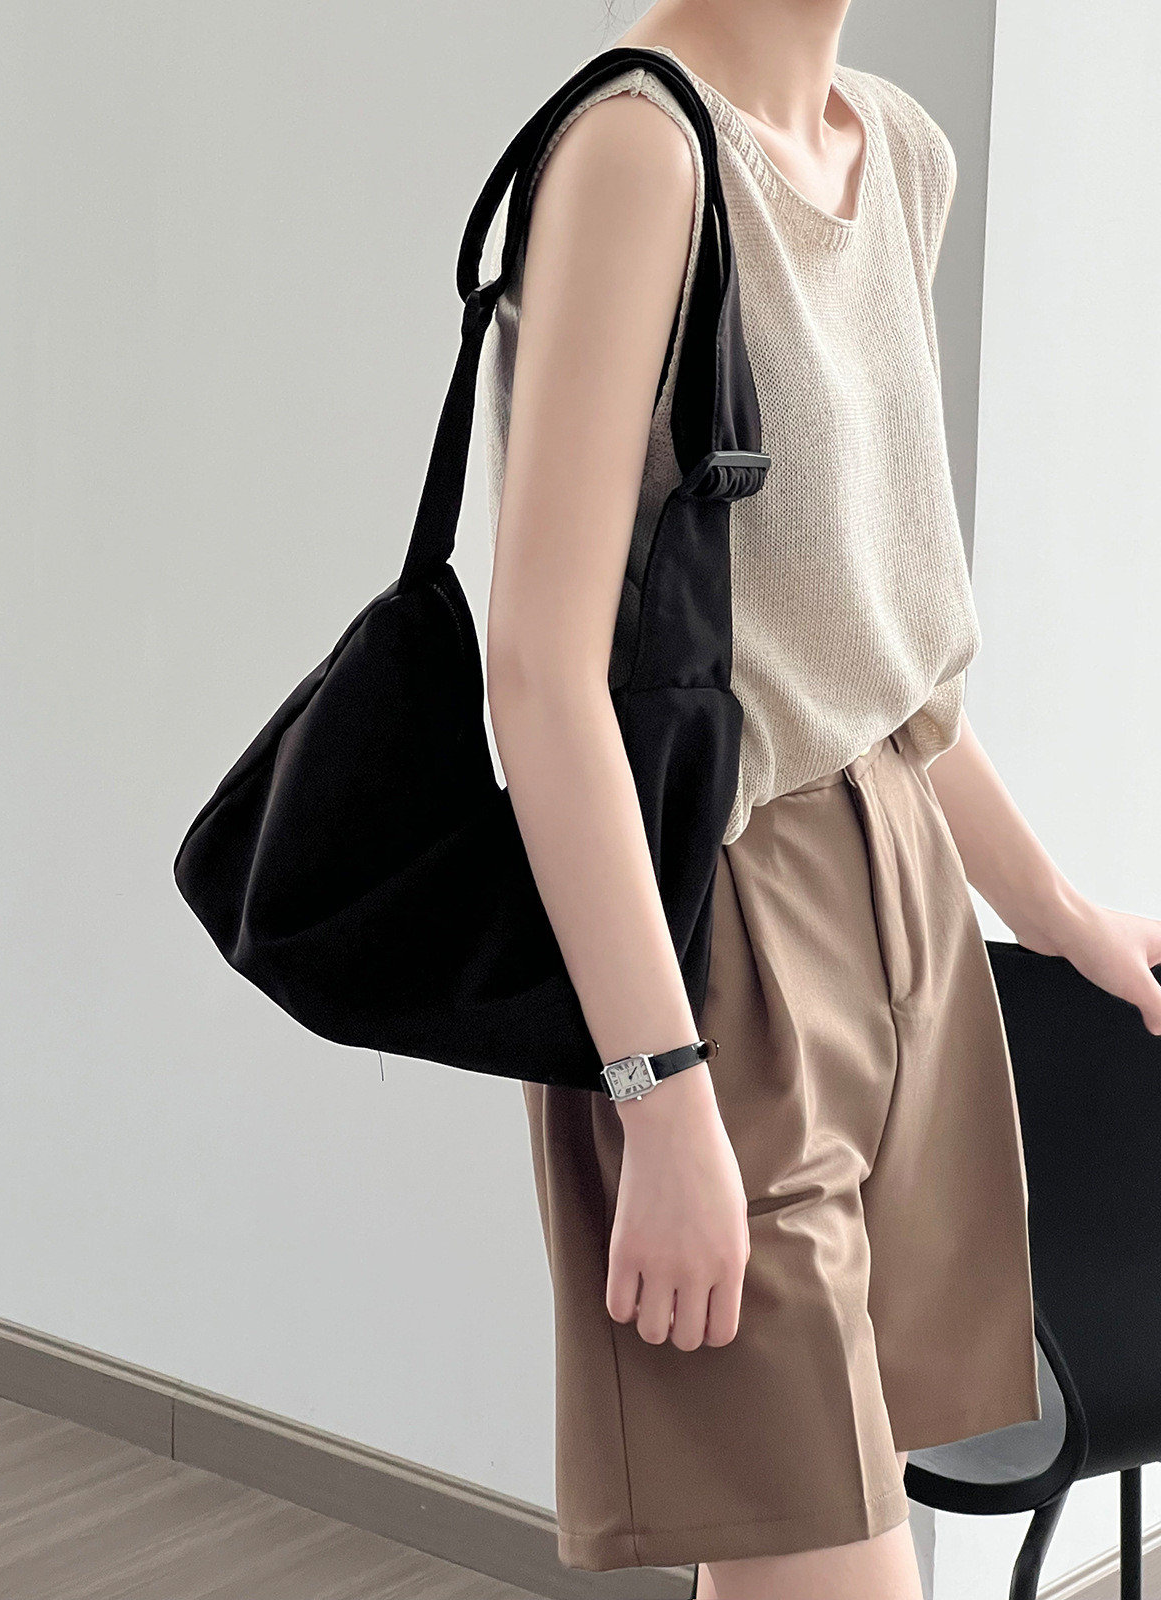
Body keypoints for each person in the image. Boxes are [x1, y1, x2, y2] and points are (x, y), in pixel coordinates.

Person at [477, 3, 1161, 1597]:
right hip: (719, 942)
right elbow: (539, 675)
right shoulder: (640, 152)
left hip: (906, 905)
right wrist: (656, 1087)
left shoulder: (899, 153)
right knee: (827, 1559)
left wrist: (1055, 912)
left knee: (794, 1544)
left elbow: (880, 665)